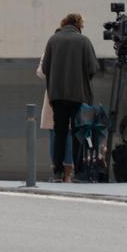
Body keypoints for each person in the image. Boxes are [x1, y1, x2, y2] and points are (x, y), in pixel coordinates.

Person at [41, 13, 99, 183]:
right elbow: (93, 68)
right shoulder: (84, 41)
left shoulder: (53, 40)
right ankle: (79, 171)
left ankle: (57, 172)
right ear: (78, 25)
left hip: (57, 95)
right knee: (78, 132)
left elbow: (45, 68)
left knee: (59, 133)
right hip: (78, 95)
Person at [37, 48, 73, 178]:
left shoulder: (55, 50)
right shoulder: (50, 51)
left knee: (66, 134)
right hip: (57, 96)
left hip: (61, 94)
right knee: (56, 133)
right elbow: (41, 72)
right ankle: (59, 172)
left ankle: (65, 173)